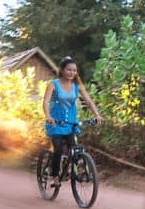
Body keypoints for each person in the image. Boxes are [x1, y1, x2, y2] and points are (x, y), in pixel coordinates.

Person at [42, 56, 103, 185]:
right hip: (56, 123)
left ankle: (71, 168)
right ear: (62, 70)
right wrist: (48, 116)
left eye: (74, 71)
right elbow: (46, 101)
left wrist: (97, 114)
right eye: (69, 70)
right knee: (58, 148)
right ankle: (54, 176)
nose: (72, 73)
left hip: (71, 123)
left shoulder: (77, 86)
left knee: (74, 148)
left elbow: (88, 100)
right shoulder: (54, 84)